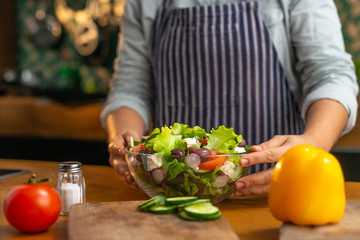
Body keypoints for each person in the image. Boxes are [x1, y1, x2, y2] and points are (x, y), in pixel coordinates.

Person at [101, 0, 359, 197]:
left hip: (277, 193)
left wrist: (312, 144)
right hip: (175, 196)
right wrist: (127, 140)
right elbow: (130, 87)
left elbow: (331, 74)